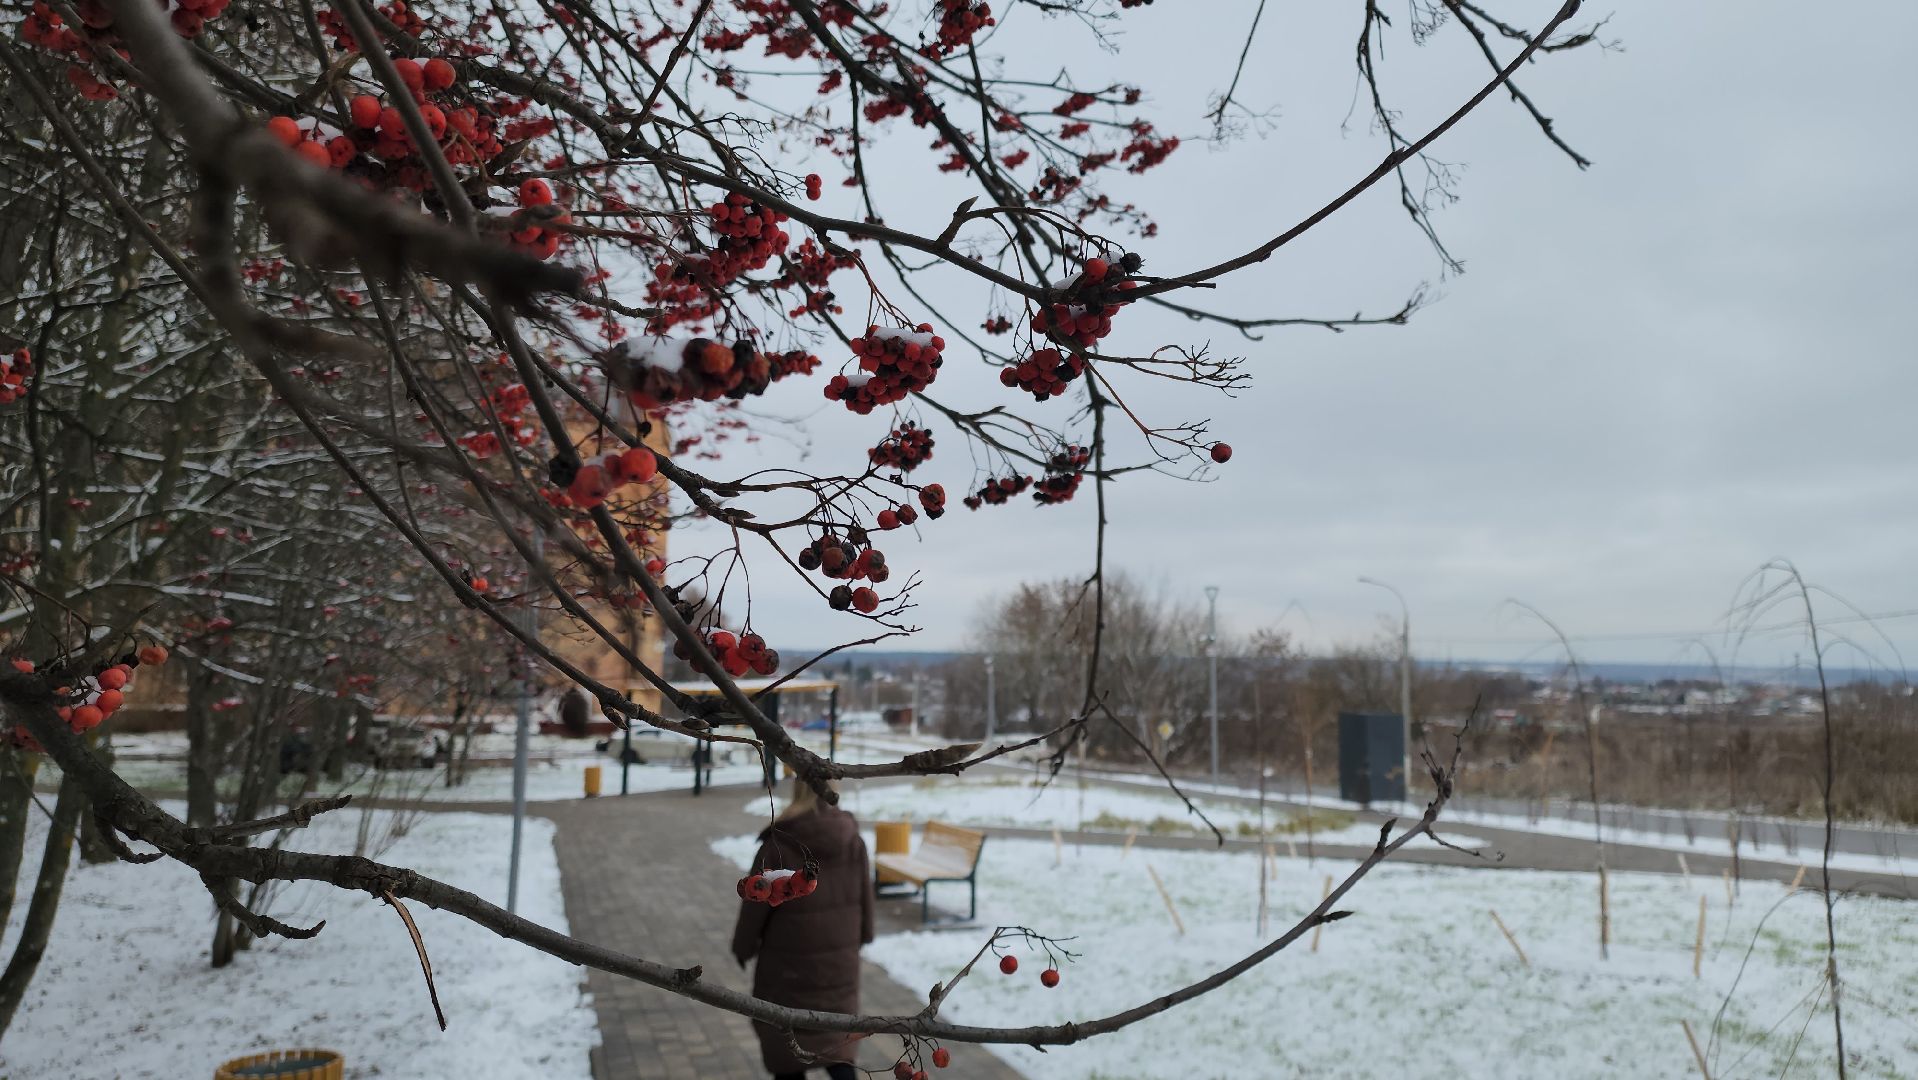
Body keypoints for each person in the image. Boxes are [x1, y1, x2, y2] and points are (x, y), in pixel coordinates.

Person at [731, 777, 874, 1080]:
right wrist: (865, 934)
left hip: (787, 972)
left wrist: (743, 947)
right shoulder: (853, 840)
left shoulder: (779, 843)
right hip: (839, 967)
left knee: (788, 1055)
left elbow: (756, 900)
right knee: (838, 1046)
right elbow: (865, 896)